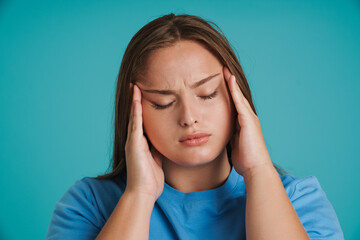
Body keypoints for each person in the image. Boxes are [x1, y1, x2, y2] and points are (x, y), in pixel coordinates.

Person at [46, 13, 344, 240]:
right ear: (134, 112)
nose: (189, 117)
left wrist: (258, 171)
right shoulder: (88, 204)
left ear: (236, 97)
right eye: (162, 102)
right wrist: (140, 194)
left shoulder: (299, 199)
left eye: (207, 94)